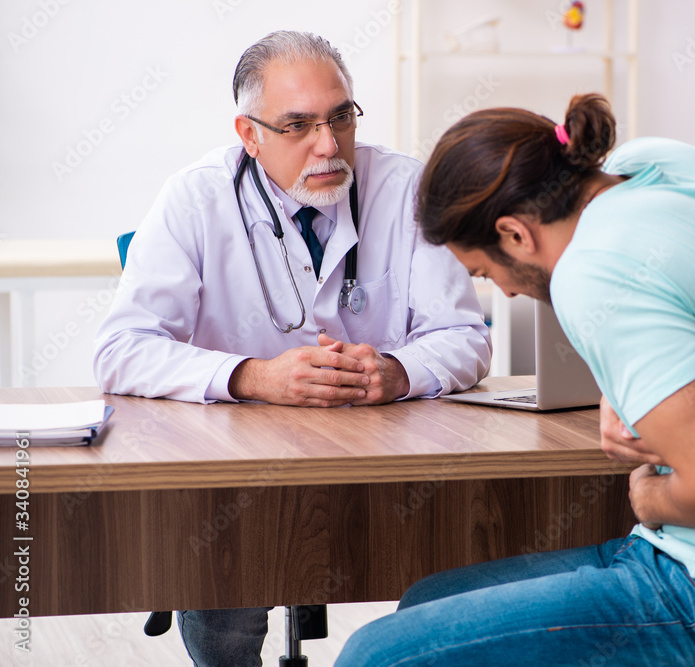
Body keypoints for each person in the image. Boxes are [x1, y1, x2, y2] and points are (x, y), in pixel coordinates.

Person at [334, 94, 695, 665]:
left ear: (516, 234)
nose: (510, 292)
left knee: (376, 656)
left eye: (486, 271)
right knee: (426, 601)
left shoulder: (592, 273)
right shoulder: (654, 165)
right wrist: (632, 398)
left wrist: (649, 495)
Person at [93, 31, 491, 667]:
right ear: (249, 134)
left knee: (454, 566)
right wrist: (252, 377)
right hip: (238, 476)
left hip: (384, 465)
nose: (328, 145)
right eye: (298, 125)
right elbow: (121, 348)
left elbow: (465, 336)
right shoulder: (194, 198)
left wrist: (396, 371)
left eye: (340, 117)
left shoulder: (405, 189)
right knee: (228, 581)